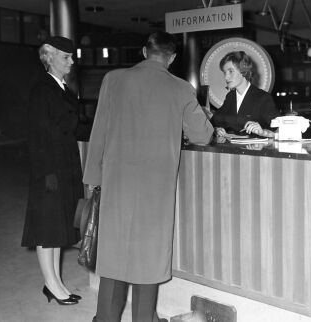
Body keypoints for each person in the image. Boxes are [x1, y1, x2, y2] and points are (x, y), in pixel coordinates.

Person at [83, 31, 213, 322]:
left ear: (144, 51)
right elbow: (203, 136)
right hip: (156, 191)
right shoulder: (180, 88)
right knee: (147, 261)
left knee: (114, 258)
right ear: (173, 57)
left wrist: (92, 180)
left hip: (117, 186)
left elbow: (99, 133)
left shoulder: (113, 80)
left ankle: (105, 318)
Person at [21, 36, 84, 305]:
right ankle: (51, 283)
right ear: (50, 58)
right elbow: (37, 136)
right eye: (65, 57)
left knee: (57, 226)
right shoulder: (42, 90)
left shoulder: (62, 90)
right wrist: (47, 173)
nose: (71, 62)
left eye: (71, 57)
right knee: (47, 228)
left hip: (65, 165)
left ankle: (56, 282)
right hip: (49, 169)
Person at [210, 51, 280, 137]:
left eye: (231, 71)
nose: (226, 77)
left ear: (243, 71)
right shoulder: (230, 97)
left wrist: (263, 132)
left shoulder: (263, 98)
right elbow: (214, 121)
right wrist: (216, 129)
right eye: (225, 72)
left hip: (257, 149)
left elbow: (280, 130)